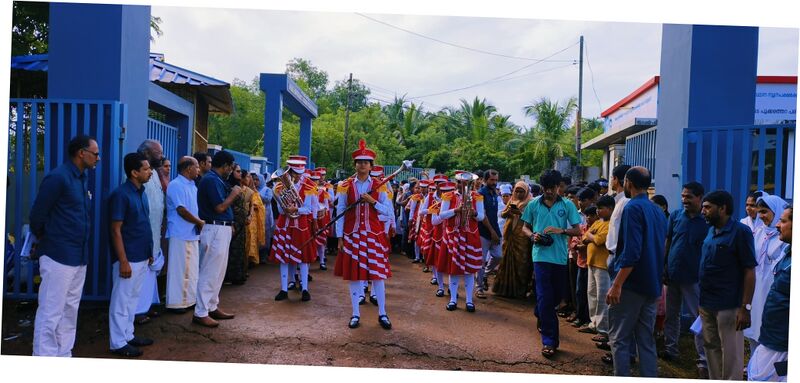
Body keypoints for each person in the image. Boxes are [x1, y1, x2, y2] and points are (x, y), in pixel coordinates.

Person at [30, 135, 99, 357]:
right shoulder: (58, 178)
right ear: (81, 153)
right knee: (51, 312)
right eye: (95, 153)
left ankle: (63, 354)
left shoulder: (82, 178)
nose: (98, 157)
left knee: (70, 310)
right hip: (58, 255)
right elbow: (37, 217)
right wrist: (48, 239)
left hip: (79, 257)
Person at [605, 166, 667, 377]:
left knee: (619, 339)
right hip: (652, 284)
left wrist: (617, 284)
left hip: (631, 285)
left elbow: (632, 252)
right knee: (645, 340)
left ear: (628, 183)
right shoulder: (657, 210)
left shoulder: (632, 208)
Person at [521, 169, 582, 358]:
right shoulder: (533, 205)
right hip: (540, 257)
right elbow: (525, 227)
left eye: (552, 188)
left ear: (558, 187)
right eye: (545, 188)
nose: (548, 191)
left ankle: (540, 310)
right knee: (546, 297)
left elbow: (578, 230)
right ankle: (550, 341)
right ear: (542, 187)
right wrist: (533, 236)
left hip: (560, 258)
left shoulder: (568, 205)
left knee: (554, 298)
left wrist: (561, 230)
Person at [334, 139, 393, 330]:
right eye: (359, 162)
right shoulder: (345, 185)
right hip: (352, 235)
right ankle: (355, 314)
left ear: (371, 166)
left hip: (374, 235)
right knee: (355, 276)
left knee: (377, 276)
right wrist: (340, 237)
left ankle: (382, 313)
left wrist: (372, 202)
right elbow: (340, 210)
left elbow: (387, 212)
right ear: (355, 165)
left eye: (366, 162)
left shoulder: (379, 186)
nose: (362, 165)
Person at [698, 190, 757, 380]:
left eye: (707, 208)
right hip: (706, 303)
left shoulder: (740, 232)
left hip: (729, 306)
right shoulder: (711, 230)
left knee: (731, 354)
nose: (703, 211)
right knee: (711, 348)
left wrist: (745, 308)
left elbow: (749, 271)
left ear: (722, 208)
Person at [107, 152, 155, 357]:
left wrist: (150, 251)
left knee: (133, 298)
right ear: (134, 172)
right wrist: (123, 260)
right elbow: (116, 229)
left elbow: (144, 223)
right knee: (121, 300)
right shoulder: (121, 194)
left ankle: (128, 335)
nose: (150, 171)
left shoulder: (141, 192)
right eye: (146, 169)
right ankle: (117, 342)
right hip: (128, 258)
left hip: (141, 255)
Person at [660, 182, 709, 377]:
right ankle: (671, 349)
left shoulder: (706, 221)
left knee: (698, 318)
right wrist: (664, 265)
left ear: (700, 197)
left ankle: (703, 360)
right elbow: (668, 241)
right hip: (673, 274)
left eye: (688, 197)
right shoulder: (676, 216)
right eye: (683, 196)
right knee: (671, 315)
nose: (684, 200)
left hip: (693, 278)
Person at [193, 150, 241, 328]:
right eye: (231, 167)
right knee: (210, 271)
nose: (231, 170)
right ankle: (201, 312)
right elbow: (220, 207)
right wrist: (234, 194)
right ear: (226, 166)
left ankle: (211, 306)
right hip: (214, 228)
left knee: (218, 271)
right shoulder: (211, 180)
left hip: (221, 228)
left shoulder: (216, 179)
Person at [747, 205, 791, 381]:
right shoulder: (788, 252)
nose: (778, 225)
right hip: (773, 333)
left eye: (783, 220)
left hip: (780, 339)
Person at [270, 155, 318, 301]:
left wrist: (295, 209)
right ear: (289, 171)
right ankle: (284, 289)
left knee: (303, 259)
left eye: (299, 174)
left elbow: (308, 208)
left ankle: (305, 289)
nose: (296, 177)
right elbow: (279, 207)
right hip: (285, 224)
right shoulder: (279, 186)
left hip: (300, 226)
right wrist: (286, 208)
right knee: (284, 258)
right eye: (293, 174)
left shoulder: (309, 186)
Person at [744, 195, 788, 351]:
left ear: (776, 211)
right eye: (759, 211)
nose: (761, 215)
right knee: (753, 322)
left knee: (767, 320)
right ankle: (753, 361)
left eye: (764, 211)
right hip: (756, 285)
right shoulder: (759, 232)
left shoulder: (784, 236)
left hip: (771, 285)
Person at [435, 174, 485, 313]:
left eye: (467, 183)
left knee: (469, 270)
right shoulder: (449, 196)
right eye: (461, 182)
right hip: (453, 236)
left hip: (470, 235)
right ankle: (453, 299)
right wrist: (456, 210)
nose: (464, 186)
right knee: (454, 269)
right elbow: (442, 215)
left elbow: (481, 217)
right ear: (456, 183)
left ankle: (469, 300)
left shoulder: (476, 197)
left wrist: (473, 213)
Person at [165, 156, 203, 314]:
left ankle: (189, 300)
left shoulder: (193, 186)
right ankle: (176, 303)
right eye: (197, 167)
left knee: (192, 270)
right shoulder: (175, 185)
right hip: (180, 233)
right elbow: (181, 210)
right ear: (188, 168)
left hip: (192, 233)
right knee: (178, 270)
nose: (199, 170)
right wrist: (199, 222)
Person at [134, 139, 166, 325]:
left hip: (154, 230)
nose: (161, 156)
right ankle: (137, 311)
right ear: (146, 153)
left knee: (150, 273)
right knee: (141, 273)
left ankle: (148, 305)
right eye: (158, 153)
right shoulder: (138, 173)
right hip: (142, 232)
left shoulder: (153, 172)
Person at [492, 181, 533, 299]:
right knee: (505, 261)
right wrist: (509, 211)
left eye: (522, 192)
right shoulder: (511, 200)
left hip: (522, 237)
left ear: (526, 192)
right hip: (509, 235)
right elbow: (503, 214)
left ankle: (520, 291)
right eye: (517, 191)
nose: (519, 194)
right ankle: (504, 289)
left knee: (522, 263)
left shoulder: (530, 202)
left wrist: (519, 213)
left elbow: (531, 219)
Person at [584, 196, 613, 346]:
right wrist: (591, 235)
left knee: (602, 297)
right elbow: (585, 237)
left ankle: (604, 330)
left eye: (601, 208)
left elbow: (599, 240)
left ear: (610, 209)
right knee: (592, 294)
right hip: (592, 262)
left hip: (603, 265)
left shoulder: (610, 224)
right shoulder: (597, 222)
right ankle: (593, 323)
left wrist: (591, 235)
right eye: (598, 208)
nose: (598, 211)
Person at [224, 165, 251, 285]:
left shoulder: (239, 187)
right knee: (232, 249)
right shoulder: (228, 187)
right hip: (233, 222)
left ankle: (239, 274)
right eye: (237, 171)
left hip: (241, 222)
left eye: (241, 171)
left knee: (240, 248)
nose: (240, 174)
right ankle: (229, 276)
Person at [476, 169, 502, 299]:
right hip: (483, 232)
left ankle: (486, 275)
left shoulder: (494, 193)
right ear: (485, 180)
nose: (494, 182)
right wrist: (492, 232)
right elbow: (483, 215)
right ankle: (479, 288)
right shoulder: (481, 194)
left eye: (496, 180)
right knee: (480, 261)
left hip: (495, 230)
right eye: (492, 180)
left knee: (498, 256)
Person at [313, 168, 332, 270]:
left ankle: (322, 259)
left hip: (322, 216)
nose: (320, 178)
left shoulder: (326, 188)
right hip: (311, 216)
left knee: (323, 238)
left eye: (323, 175)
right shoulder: (308, 189)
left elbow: (328, 202)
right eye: (317, 177)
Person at [248, 172, 267, 266]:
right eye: (252, 179)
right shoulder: (244, 189)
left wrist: (254, 207)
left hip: (254, 220)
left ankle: (252, 260)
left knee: (253, 240)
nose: (254, 181)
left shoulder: (258, 191)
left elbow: (261, 205)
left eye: (256, 180)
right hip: (246, 219)